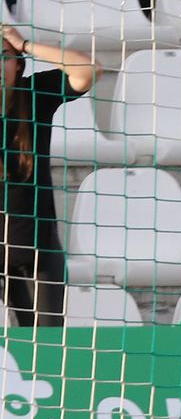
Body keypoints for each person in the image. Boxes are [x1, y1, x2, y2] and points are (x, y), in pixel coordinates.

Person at [0, 24, 95, 328]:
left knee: (47, 347)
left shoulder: (34, 95)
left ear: (18, 63)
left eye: (3, 55)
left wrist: (24, 43)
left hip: (38, 248)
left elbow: (87, 70)